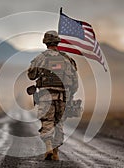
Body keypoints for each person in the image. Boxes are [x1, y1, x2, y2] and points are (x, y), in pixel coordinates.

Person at [27, 30, 78, 160]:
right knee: (59, 123)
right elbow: (75, 83)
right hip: (63, 97)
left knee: (47, 121)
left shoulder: (40, 58)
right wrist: (69, 94)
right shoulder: (67, 59)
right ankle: (55, 152)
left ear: (45, 42)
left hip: (46, 97)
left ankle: (48, 146)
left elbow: (31, 75)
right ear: (57, 42)